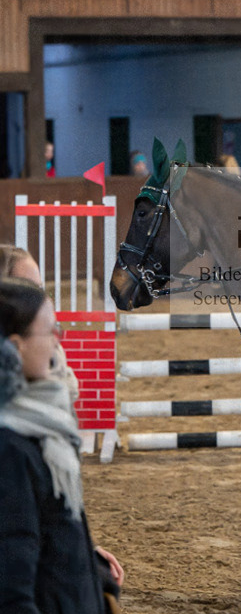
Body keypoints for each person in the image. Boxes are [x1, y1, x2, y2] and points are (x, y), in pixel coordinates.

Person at [0, 278, 123, 614]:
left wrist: (87, 573)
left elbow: (42, 535)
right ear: (14, 347)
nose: (58, 341)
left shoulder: (39, 426)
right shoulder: (11, 447)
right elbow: (10, 598)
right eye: (50, 331)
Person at [0, 243, 123, 584]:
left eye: (42, 287)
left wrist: (84, 545)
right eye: (29, 288)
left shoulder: (52, 371)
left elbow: (57, 497)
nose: (42, 298)